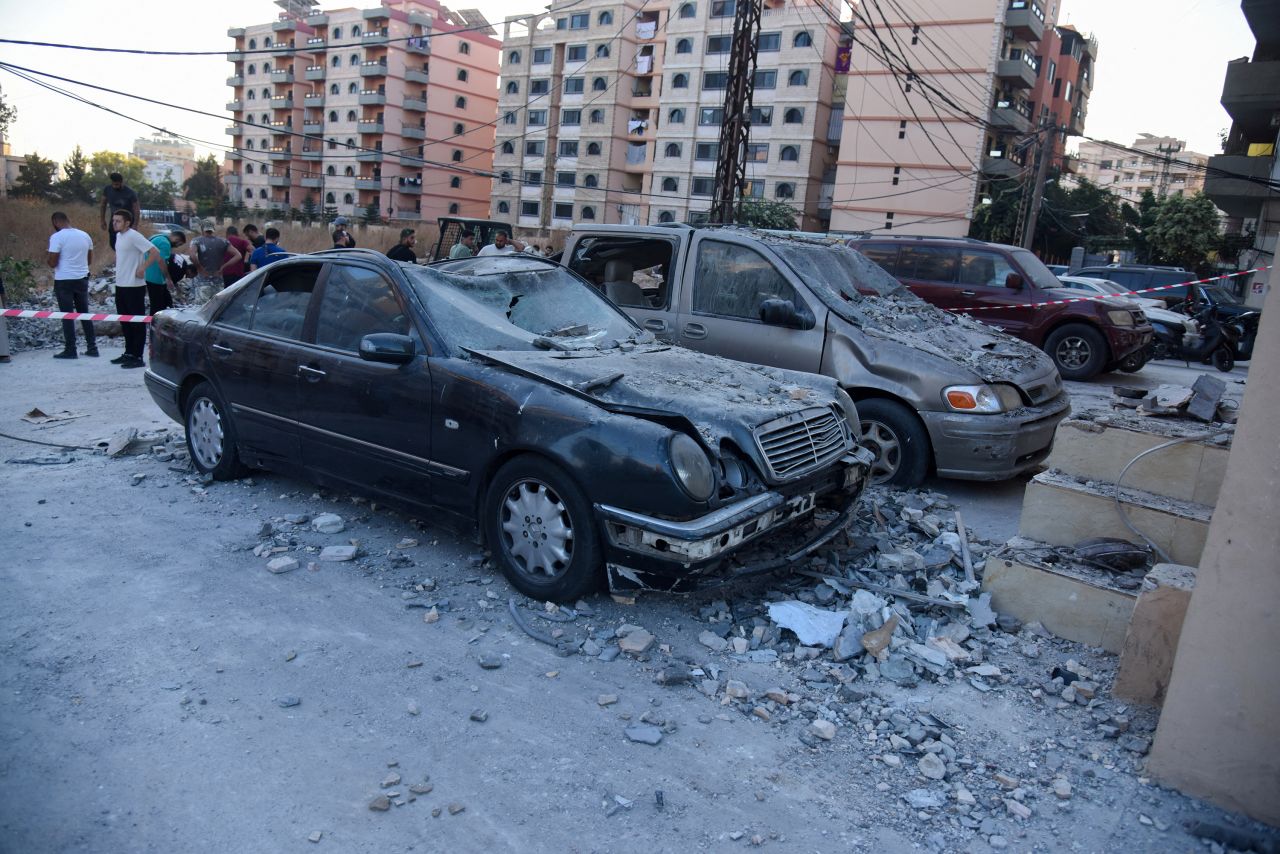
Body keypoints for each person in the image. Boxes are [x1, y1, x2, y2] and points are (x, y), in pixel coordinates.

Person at [111, 209, 172, 369]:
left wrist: (142, 268)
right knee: (124, 321)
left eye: (118, 221)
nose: (114, 223)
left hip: (134, 286)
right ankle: (129, 352)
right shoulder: (119, 236)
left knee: (136, 322)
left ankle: (138, 356)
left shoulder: (133, 235)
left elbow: (154, 252)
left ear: (127, 222)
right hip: (121, 284)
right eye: (113, 220)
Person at [47, 211, 98, 359]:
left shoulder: (57, 237)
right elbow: (89, 260)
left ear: (55, 222)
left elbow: (52, 262)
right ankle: (92, 347)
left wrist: (48, 257)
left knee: (67, 315)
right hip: (82, 278)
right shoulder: (84, 235)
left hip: (64, 280)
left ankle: (71, 349)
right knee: (84, 313)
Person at [191, 220, 239, 301]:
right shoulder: (223, 241)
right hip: (218, 282)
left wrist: (200, 268)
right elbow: (238, 256)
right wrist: (223, 267)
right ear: (213, 229)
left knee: (203, 310)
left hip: (203, 282)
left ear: (203, 230)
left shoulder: (197, 241)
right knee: (217, 310)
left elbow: (192, 255)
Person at [145, 227, 185, 318]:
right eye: (179, 244)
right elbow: (162, 262)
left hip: (149, 274)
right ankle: (154, 327)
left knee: (166, 301)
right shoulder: (165, 243)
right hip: (155, 277)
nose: (177, 246)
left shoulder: (158, 237)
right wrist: (168, 279)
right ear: (176, 239)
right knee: (157, 306)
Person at [99, 172, 140, 254]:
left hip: (127, 222)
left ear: (121, 182)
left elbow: (136, 209)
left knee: (126, 243)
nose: (115, 186)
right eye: (114, 184)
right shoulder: (108, 189)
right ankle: (119, 257)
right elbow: (103, 204)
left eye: (117, 184)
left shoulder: (130, 193)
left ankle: (124, 258)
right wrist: (102, 220)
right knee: (113, 243)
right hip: (114, 220)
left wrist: (135, 225)